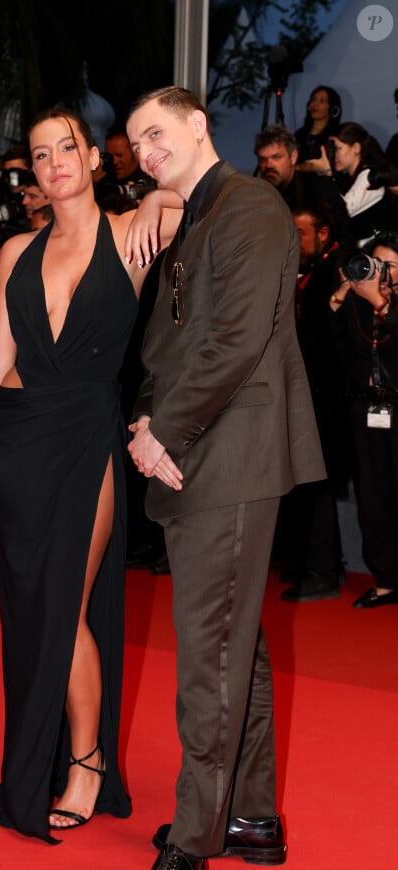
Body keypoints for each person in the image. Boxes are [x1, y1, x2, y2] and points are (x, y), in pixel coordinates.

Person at [0, 106, 180, 842]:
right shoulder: (14, 252)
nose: (54, 161)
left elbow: (187, 194)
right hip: (17, 442)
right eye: (40, 152)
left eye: (67, 148)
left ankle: (85, 764)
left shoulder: (130, 235)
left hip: (87, 439)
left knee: (65, 605)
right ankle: (53, 756)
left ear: (93, 158)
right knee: (33, 610)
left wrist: (156, 194)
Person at [125, 86, 325, 870]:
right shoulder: (198, 215)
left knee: (208, 655)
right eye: (135, 142)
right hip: (192, 453)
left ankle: (193, 837)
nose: (145, 152)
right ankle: (248, 818)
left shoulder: (248, 209)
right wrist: (145, 418)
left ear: (199, 125)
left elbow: (236, 342)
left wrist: (162, 432)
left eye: (156, 134)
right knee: (236, 648)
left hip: (229, 456)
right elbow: (162, 349)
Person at [278, 203, 350, 602]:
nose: (295, 240)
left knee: (317, 484)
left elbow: (328, 333)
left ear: (323, 233)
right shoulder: (307, 270)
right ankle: (314, 563)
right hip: (309, 392)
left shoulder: (337, 269)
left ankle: (322, 571)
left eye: (301, 233)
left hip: (328, 395)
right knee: (306, 484)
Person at [328, 230, 398, 608]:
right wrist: (342, 294)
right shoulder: (355, 303)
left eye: (390, 266)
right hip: (365, 411)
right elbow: (329, 342)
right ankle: (386, 579)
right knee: (372, 499)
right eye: (376, 264)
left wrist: (383, 305)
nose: (382, 273)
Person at [255, 124, 355, 255]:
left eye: (276, 157)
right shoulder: (257, 196)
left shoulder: (320, 187)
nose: (268, 165)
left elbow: (346, 236)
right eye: (263, 159)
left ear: (293, 157)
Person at [324, 122, 395, 246]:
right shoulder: (346, 178)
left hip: (373, 253)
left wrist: (326, 172)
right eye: (330, 149)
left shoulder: (371, 175)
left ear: (356, 148)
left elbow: (343, 211)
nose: (332, 154)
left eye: (337, 148)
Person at [294, 84, 342, 169]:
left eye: (322, 101)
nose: (315, 104)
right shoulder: (299, 135)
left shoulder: (336, 136)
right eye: (313, 99)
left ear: (332, 108)